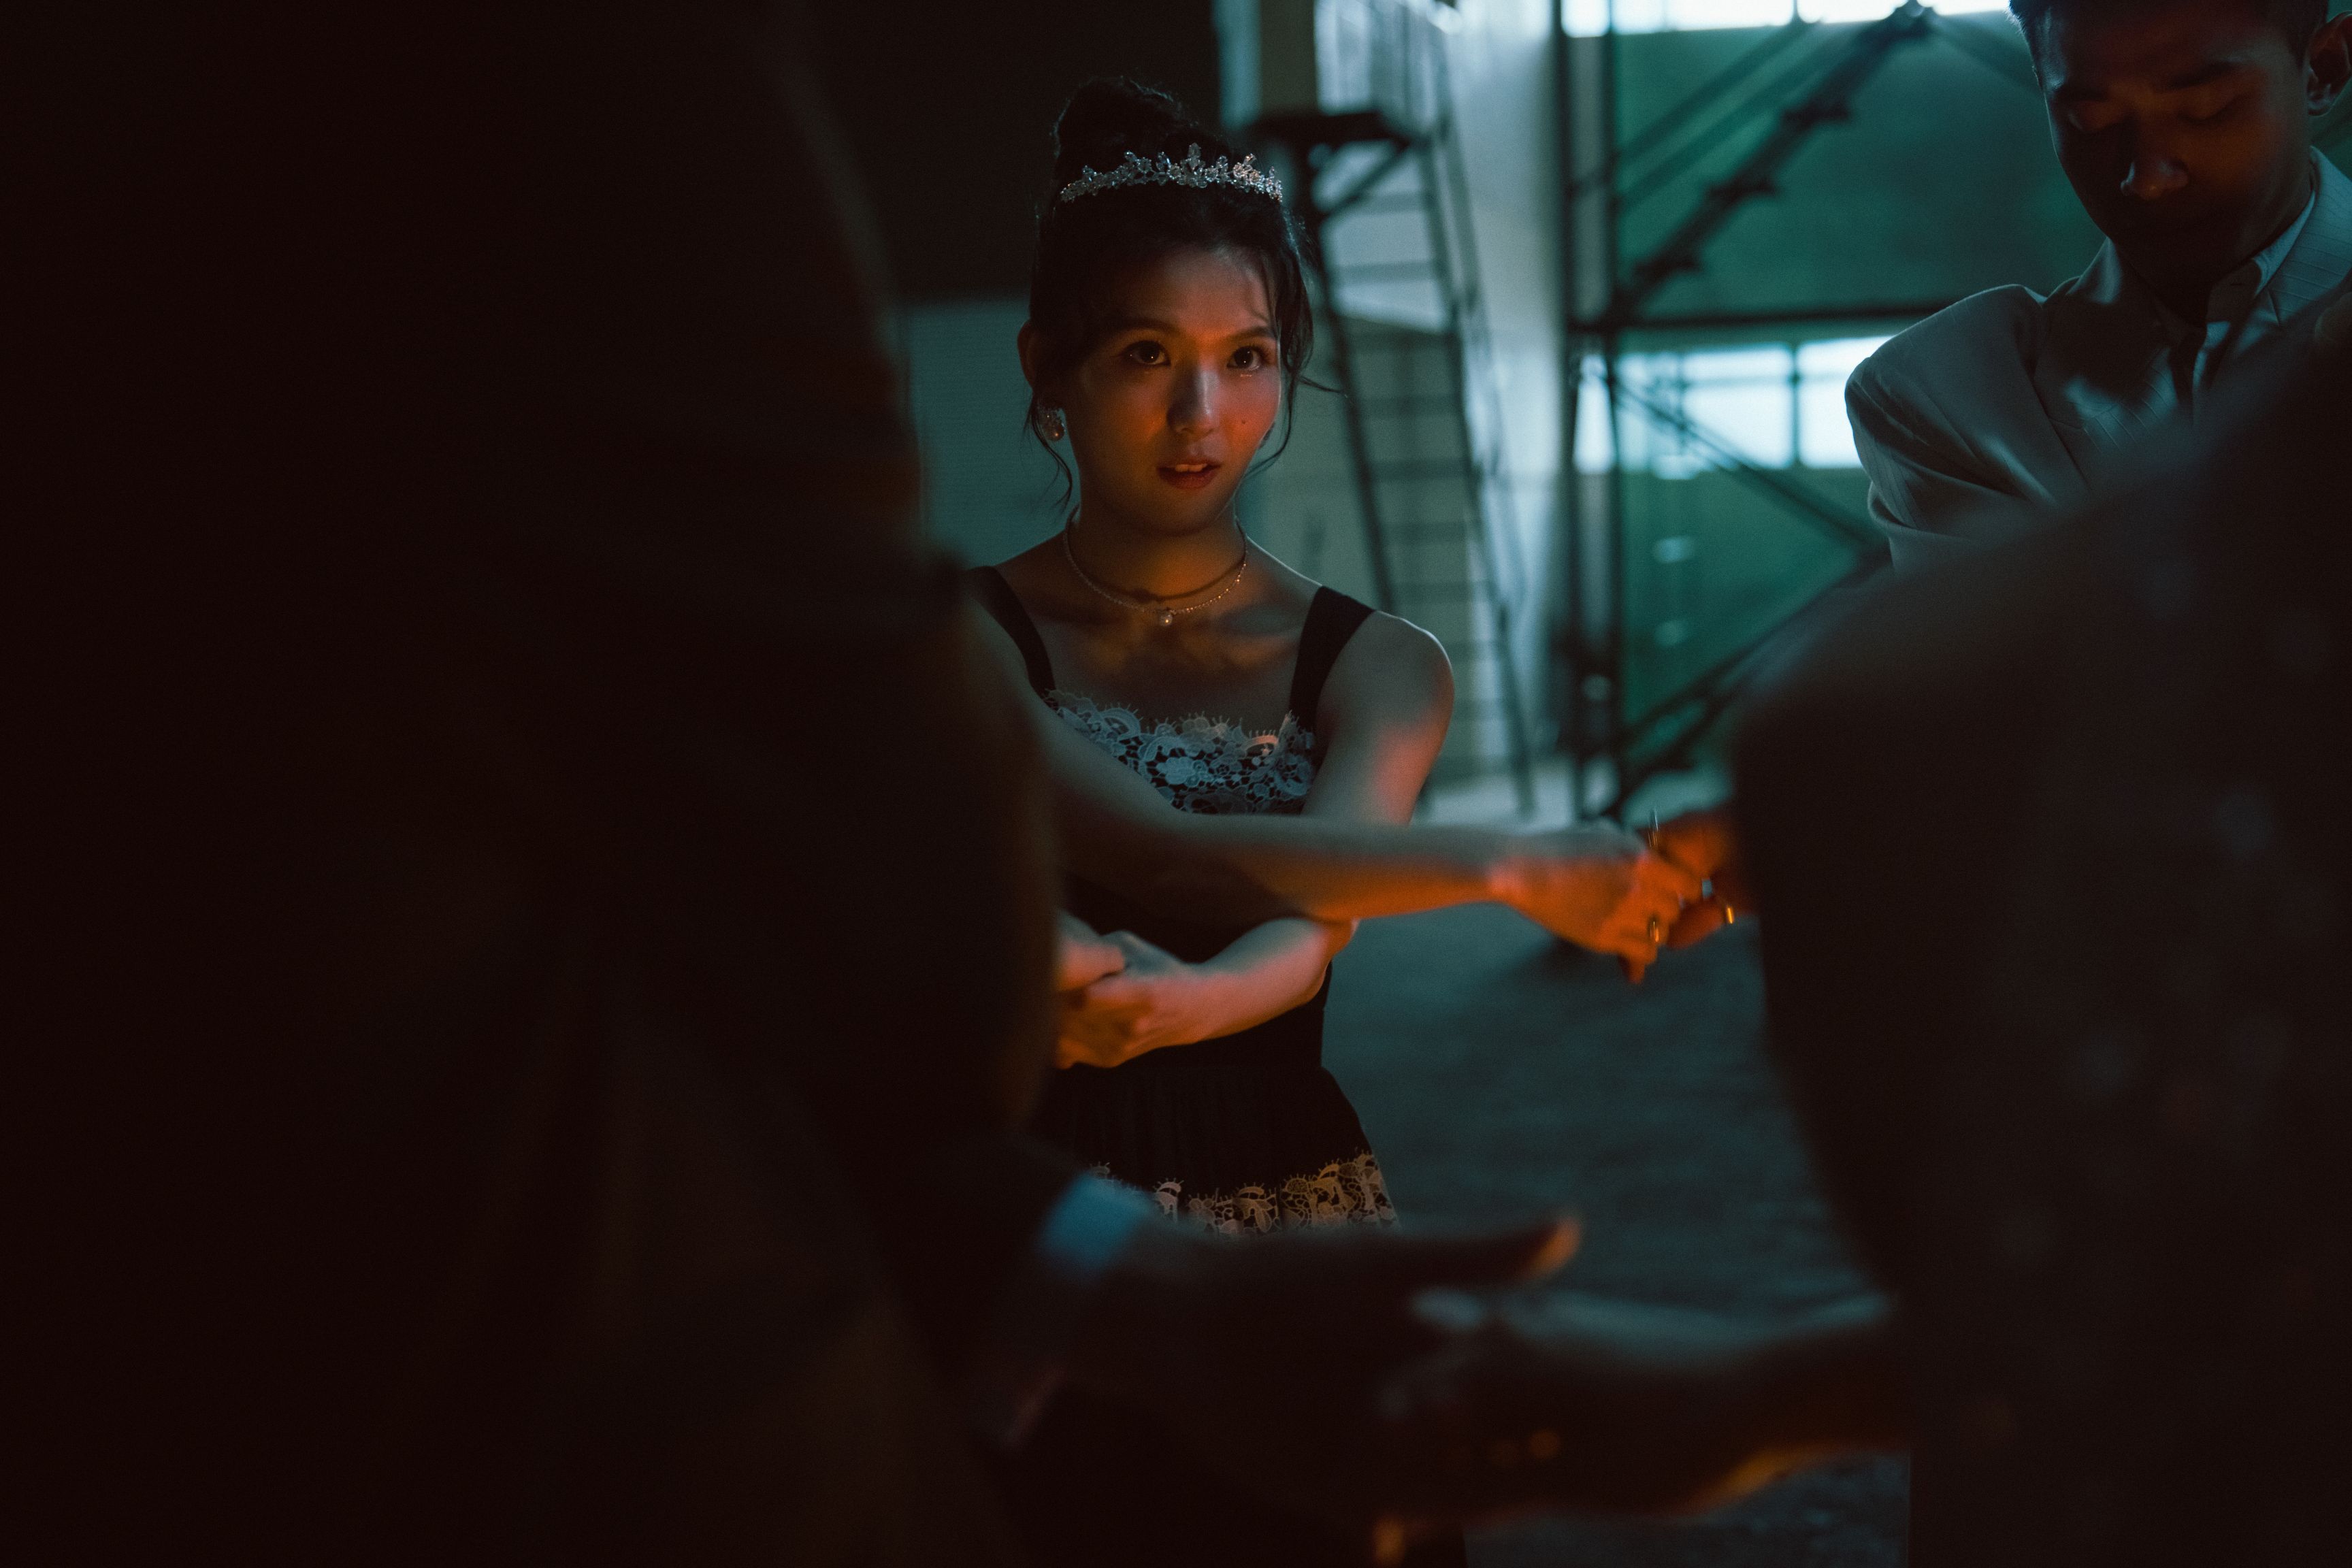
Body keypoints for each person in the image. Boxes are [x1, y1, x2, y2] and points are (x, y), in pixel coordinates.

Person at [1848, 0, 2351, 567]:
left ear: (2324, 68)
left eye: (2204, 108)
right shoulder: (1959, 391)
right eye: (2090, 120)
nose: (2147, 177)